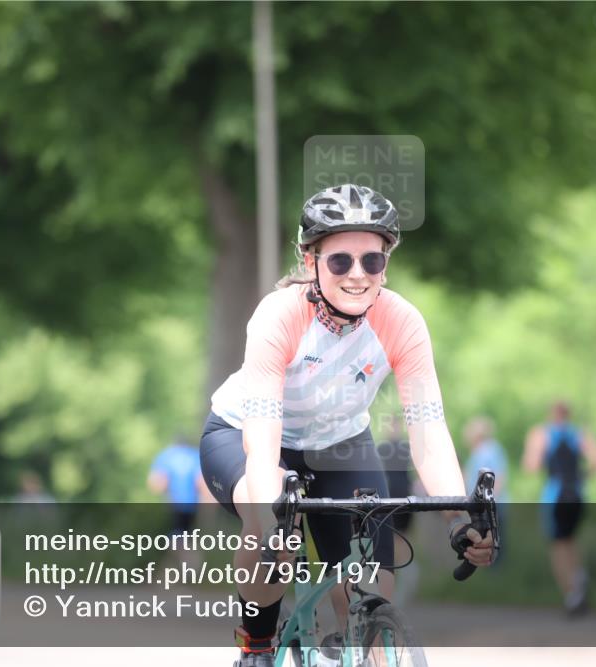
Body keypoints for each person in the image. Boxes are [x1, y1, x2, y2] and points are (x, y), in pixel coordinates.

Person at [200, 184, 495, 666]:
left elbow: (428, 433)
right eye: (341, 261)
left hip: (340, 443)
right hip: (246, 436)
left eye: (372, 262)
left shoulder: (402, 321)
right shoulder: (280, 316)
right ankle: (255, 645)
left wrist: (458, 518)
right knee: (271, 534)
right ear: (310, 258)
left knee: (367, 587)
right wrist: (270, 520)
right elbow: (262, 439)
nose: (357, 275)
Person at [522, 401, 596, 615]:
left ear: (551, 414)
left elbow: (530, 465)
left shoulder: (541, 434)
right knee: (571, 540)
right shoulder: (579, 434)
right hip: (577, 493)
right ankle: (579, 577)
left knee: (557, 545)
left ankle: (571, 595)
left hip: (555, 494)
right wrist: (582, 476)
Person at [376, 412, 419, 606]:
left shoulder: (385, 448)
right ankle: (406, 575)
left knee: (395, 540)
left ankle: (403, 578)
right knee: (399, 540)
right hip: (403, 497)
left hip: (394, 498)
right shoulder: (406, 447)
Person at [462, 416, 509, 566]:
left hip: (491, 504)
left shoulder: (490, 450)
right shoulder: (477, 451)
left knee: (494, 540)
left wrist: (489, 500)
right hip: (480, 505)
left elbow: (499, 476)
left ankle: (496, 574)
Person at [147, 438, 208, 537]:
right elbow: (201, 482)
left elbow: (157, 482)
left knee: (176, 534)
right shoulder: (194, 455)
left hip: (174, 502)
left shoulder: (166, 456)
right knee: (185, 534)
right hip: (191, 504)